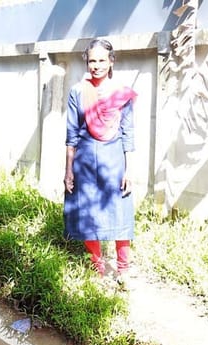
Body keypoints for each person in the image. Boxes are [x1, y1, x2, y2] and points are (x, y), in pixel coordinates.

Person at [63, 38, 137, 279]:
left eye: (102, 60)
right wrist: (68, 170)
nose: (96, 66)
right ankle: (98, 268)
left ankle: (123, 270)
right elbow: (72, 134)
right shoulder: (77, 92)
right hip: (84, 162)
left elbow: (128, 133)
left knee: (120, 213)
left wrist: (129, 170)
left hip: (113, 162)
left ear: (111, 61)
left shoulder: (122, 94)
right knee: (87, 214)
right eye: (92, 61)